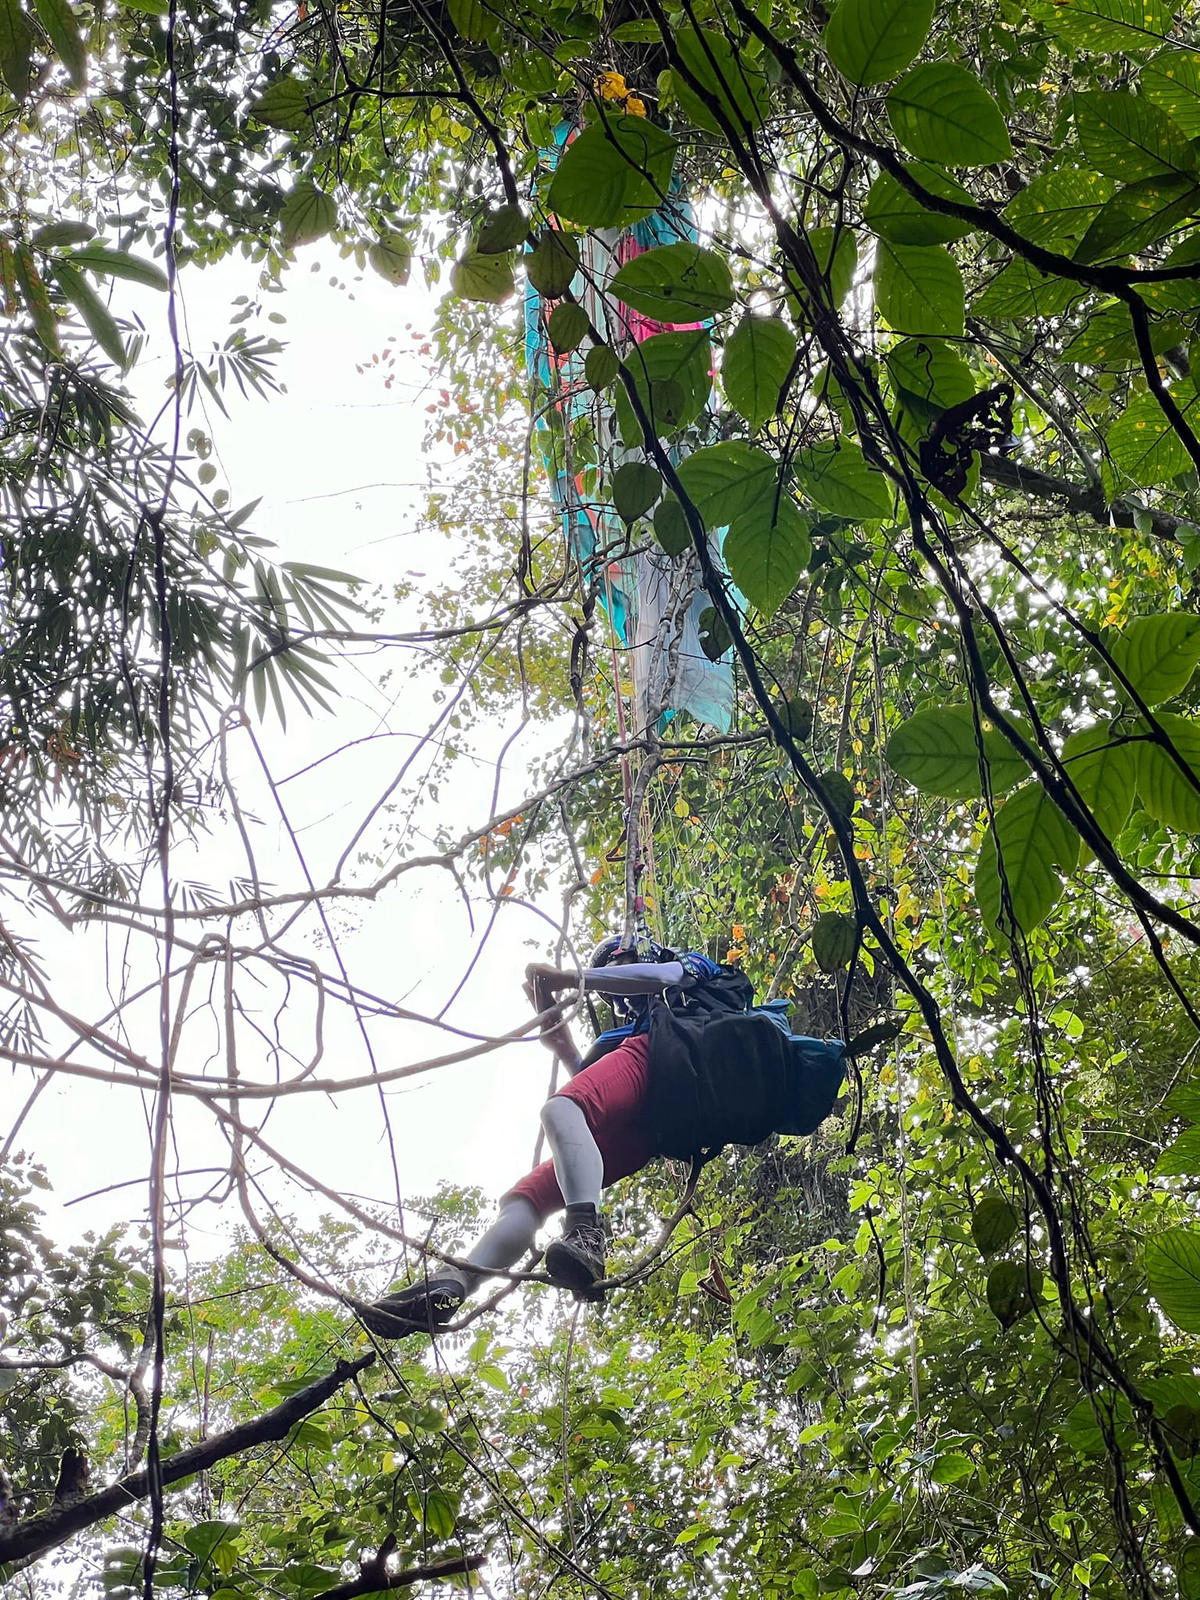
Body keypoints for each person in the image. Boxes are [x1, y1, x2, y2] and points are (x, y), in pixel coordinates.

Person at [360, 937, 845, 1339]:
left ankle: (586, 1232)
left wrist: (572, 979)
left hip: (673, 1059)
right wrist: (565, 1045)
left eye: (616, 972)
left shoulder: (687, 980)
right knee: (528, 1195)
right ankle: (453, 1283)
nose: (616, 999)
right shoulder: (626, 1034)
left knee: (560, 1108)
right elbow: (598, 1103)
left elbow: (658, 980)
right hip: (666, 1122)